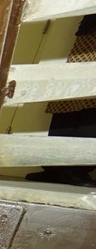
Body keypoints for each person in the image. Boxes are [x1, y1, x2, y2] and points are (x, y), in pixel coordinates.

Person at [25, 14, 96, 188]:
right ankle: (55, 167)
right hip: (91, 33)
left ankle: (74, 169)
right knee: (70, 94)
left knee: (90, 104)